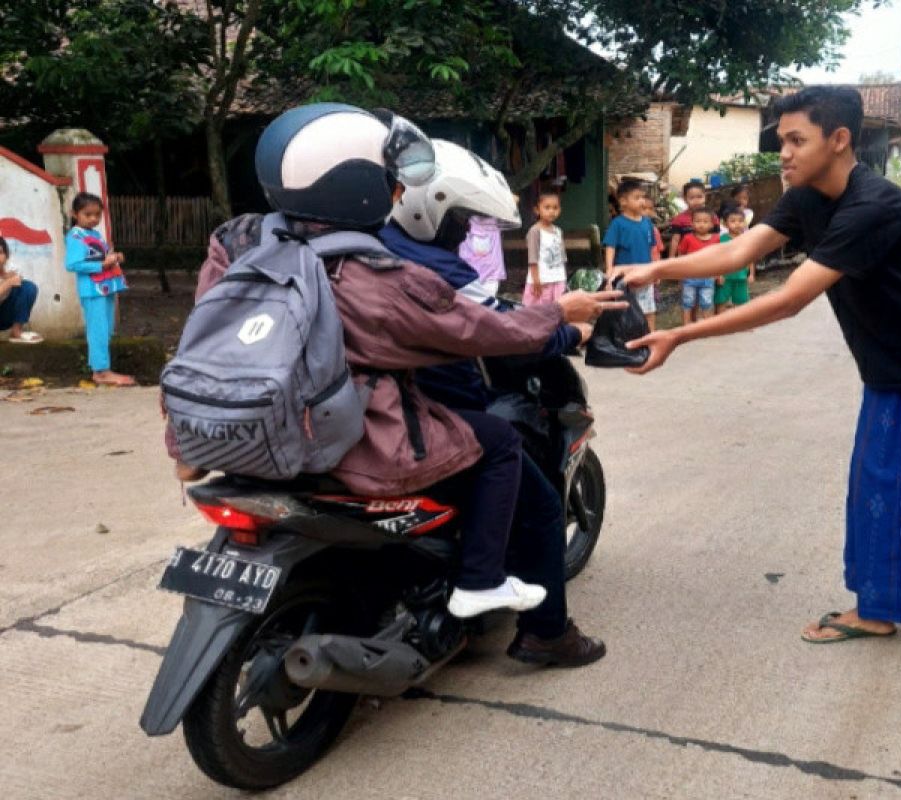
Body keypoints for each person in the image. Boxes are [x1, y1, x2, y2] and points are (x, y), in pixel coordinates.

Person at [178, 104, 622, 663]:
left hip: (247, 429)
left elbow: (206, 335)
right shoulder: (375, 275)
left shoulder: (238, 243)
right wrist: (560, 315)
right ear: (356, 184)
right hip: (354, 436)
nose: (393, 195)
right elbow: (475, 329)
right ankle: (539, 628)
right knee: (511, 458)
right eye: (386, 181)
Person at [614, 86, 901, 675]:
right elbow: (741, 249)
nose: (784, 154)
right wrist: (657, 267)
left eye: (797, 140)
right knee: (878, 486)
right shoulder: (803, 198)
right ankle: (878, 609)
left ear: (839, 139)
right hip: (889, 362)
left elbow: (789, 300)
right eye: (782, 141)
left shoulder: (873, 204)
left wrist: (681, 336)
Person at [65, 193, 134, 386]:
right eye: (88, 214)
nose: (94, 219)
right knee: (98, 330)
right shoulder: (75, 236)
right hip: (92, 290)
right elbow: (73, 264)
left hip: (104, 288)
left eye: (97, 214)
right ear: (74, 214)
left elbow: (99, 256)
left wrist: (115, 257)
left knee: (106, 329)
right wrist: (102, 265)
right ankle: (101, 372)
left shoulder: (94, 235)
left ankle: (103, 368)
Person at [603, 179, 658, 330]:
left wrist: (657, 269)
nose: (642, 201)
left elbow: (652, 248)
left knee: (649, 310)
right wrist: (609, 269)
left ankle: (651, 338)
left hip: (645, 276)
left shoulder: (647, 223)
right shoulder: (618, 223)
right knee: (624, 311)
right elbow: (610, 247)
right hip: (625, 279)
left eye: (643, 197)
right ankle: (626, 342)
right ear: (623, 201)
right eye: (637, 198)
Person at [524, 189, 569, 306]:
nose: (551, 211)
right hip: (542, 280)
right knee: (540, 312)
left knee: (558, 309)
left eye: (555, 208)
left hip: (558, 279)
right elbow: (532, 258)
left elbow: (562, 257)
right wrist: (536, 280)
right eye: (547, 207)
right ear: (537, 210)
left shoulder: (558, 231)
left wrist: (564, 276)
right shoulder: (535, 231)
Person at [677, 207, 721, 325]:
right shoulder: (687, 238)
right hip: (690, 276)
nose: (701, 224)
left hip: (708, 276)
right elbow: (681, 255)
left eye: (705, 221)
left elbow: (718, 258)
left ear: (712, 224)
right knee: (688, 301)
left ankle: (707, 325)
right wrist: (679, 274)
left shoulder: (716, 239)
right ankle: (687, 324)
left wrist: (720, 274)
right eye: (698, 221)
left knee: (707, 301)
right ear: (692, 223)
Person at [0, 236, 42, 344]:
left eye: (0, 253)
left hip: (4, 316)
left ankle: (16, 331)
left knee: (28, 287)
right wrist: (7, 283)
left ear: (6, 255)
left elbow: (21, 287)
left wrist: (6, 278)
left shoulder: (11, 269)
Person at [713, 204, 754, 313]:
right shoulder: (721, 239)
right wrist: (719, 274)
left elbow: (751, 257)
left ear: (745, 222)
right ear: (725, 224)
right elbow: (718, 259)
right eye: (733, 221)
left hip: (741, 276)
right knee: (721, 301)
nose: (737, 224)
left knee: (741, 302)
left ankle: (741, 323)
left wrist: (751, 274)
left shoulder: (747, 239)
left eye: (740, 221)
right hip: (725, 276)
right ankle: (721, 324)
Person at [458, 214, 506, 296]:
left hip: (488, 276)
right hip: (469, 274)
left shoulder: (496, 218)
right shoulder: (464, 218)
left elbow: (514, 202)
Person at [668, 180, 708, 259]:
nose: (696, 201)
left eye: (699, 197)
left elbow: (717, 237)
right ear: (685, 199)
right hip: (686, 259)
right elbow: (675, 240)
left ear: (705, 197)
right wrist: (671, 257)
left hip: (707, 258)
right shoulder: (679, 219)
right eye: (692, 197)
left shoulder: (712, 217)